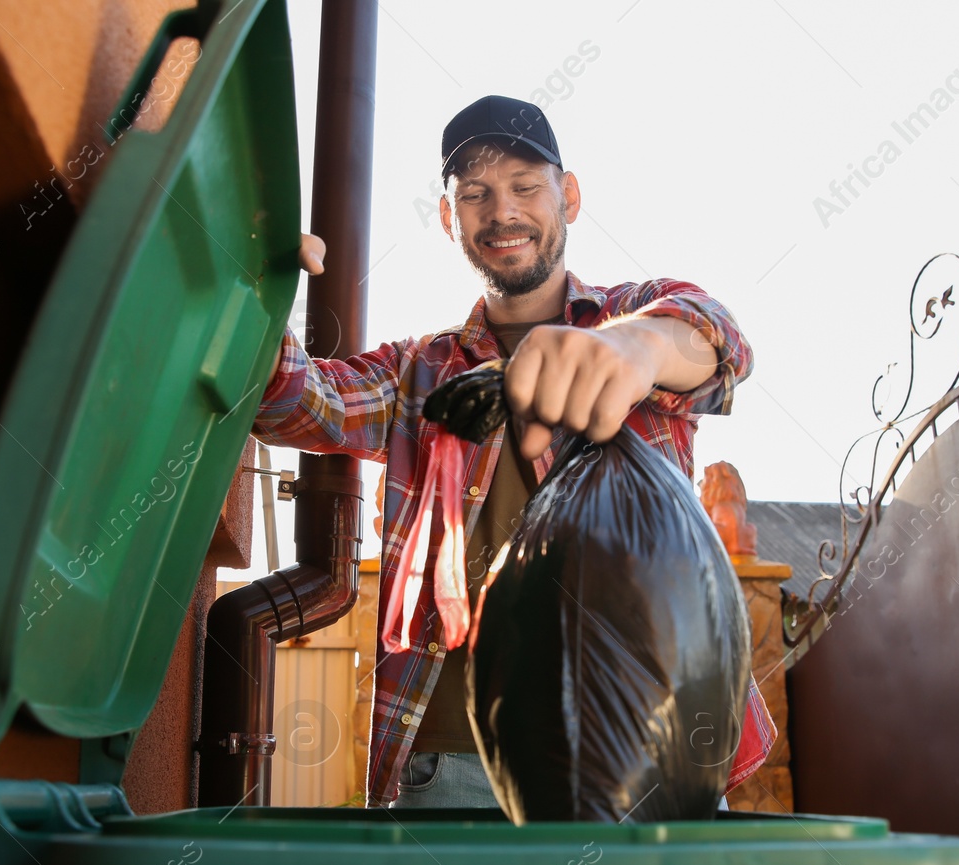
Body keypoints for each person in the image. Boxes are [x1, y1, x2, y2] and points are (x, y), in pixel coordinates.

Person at [253, 95, 773, 810]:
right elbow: (291, 401)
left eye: (526, 186)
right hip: (457, 761)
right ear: (449, 218)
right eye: (476, 194)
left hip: (653, 745)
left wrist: (636, 345)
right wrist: (253, 286)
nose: (503, 212)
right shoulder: (419, 375)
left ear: (570, 196)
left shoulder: (638, 314)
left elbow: (720, 342)